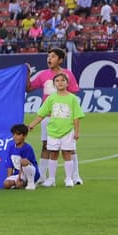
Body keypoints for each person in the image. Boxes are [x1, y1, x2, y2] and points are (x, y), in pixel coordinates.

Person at [27, 48, 82, 185]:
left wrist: (63, 111)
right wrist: (27, 74)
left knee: (70, 148)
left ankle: (75, 176)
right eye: (48, 56)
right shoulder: (43, 75)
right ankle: (42, 176)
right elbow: (28, 88)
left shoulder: (68, 74)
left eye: (53, 56)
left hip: (64, 118)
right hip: (48, 117)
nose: (49, 59)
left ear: (60, 60)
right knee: (46, 146)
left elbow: (73, 93)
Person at [3, 124, 39, 191]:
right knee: (6, 184)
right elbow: (9, 165)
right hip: (19, 174)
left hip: (30, 172)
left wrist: (19, 178)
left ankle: (31, 183)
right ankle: (23, 183)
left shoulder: (27, 148)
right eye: (14, 135)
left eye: (18, 135)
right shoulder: (11, 148)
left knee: (23, 161)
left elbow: (24, 163)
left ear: (24, 136)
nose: (15, 137)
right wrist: (9, 178)